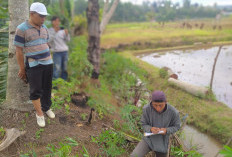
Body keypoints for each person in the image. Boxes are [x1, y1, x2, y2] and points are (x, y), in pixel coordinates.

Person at [14, 2, 55, 127]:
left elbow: (45, 43)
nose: (44, 19)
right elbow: (19, 51)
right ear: (32, 14)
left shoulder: (44, 28)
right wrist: (22, 68)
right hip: (34, 64)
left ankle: (46, 107)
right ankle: (39, 113)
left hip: (48, 63)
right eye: (41, 16)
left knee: (47, 87)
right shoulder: (21, 29)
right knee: (36, 90)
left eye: (45, 16)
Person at [131, 90, 181, 157]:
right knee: (134, 155)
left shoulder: (173, 112)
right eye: (155, 105)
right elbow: (143, 124)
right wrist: (150, 129)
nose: (158, 108)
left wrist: (167, 130)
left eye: (160, 105)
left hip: (162, 142)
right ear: (151, 102)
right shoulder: (146, 109)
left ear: (165, 102)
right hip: (148, 140)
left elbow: (177, 126)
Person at [48, 16, 70, 80]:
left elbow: (68, 40)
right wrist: (55, 31)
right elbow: (49, 40)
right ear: (53, 22)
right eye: (56, 21)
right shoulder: (49, 30)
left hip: (65, 51)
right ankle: (55, 86)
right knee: (57, 68)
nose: (57, 22)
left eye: (58, 21)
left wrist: (66, 34)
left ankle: (64, 83)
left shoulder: (62, 30)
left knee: (65, 68)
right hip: (56, 52)